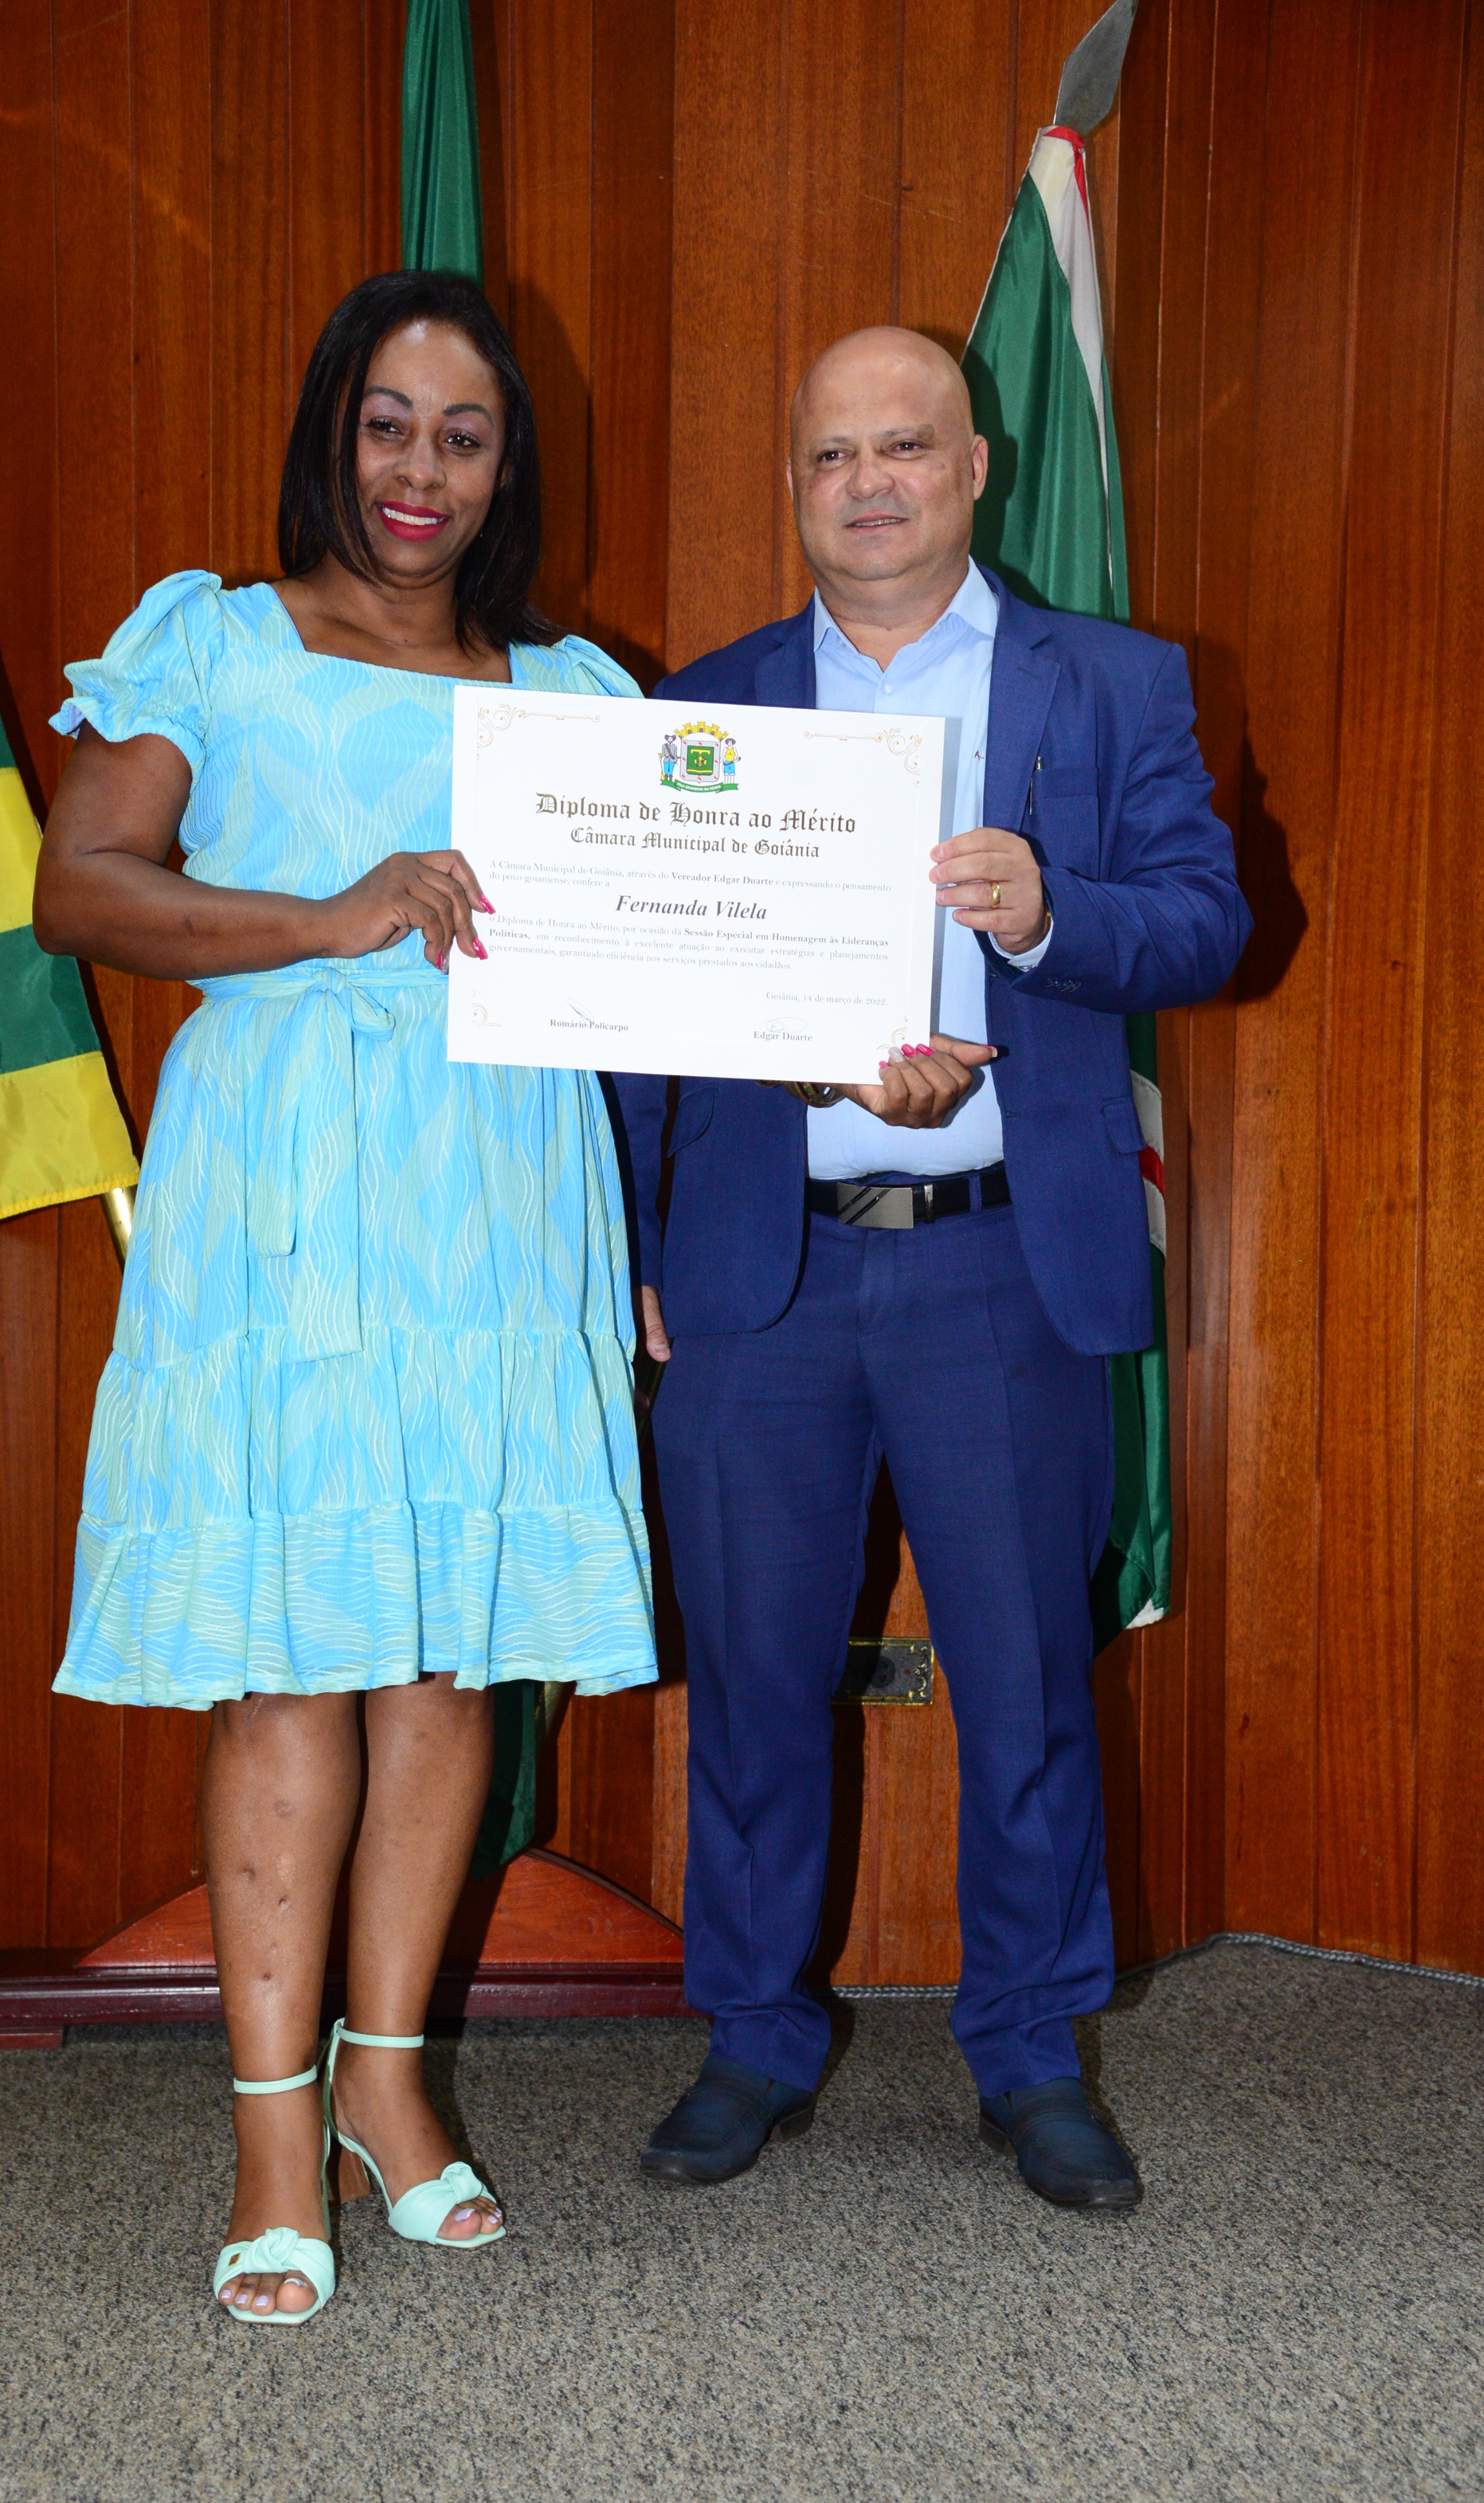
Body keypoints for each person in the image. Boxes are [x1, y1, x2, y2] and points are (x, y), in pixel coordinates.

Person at [35, 273, 656, 2323]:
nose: (420, 468)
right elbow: (80, 886)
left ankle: (390, 2084)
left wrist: (844, 1041)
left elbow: (670, 976)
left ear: (508, 464)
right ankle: (268, 2132)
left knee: (450, 1660)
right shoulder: (215, 641)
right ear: (332, 430)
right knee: (292, 1658)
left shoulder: (572, 694)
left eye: (464, 434)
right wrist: (328, 917)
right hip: (288, 1193)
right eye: (389, 421)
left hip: (502, 1199)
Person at [608, 328, 1249, 2207]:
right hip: (762, 1273)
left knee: (1029, 1684)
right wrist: (637, 1245)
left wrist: (1050, 915)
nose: (869, 483)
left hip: (1002, 1270)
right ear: (794, 487)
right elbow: (639, 1012)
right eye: (832, 456)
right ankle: (753, 2032)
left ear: (976, 467)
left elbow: (1208, 923)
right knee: (752, 1678)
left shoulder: (1112, 684)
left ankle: (1031, 2052)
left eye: (905, 447)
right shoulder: (705, 705)